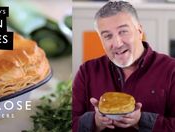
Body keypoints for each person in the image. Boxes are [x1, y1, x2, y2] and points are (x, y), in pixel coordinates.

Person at [72, 1, 175, 132]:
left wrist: (142, 121)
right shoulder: (86, 71)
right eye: (108, 36)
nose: (117, 43)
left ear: (139, 31)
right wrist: (95, 122)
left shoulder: (171, 70)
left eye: (123, 32)